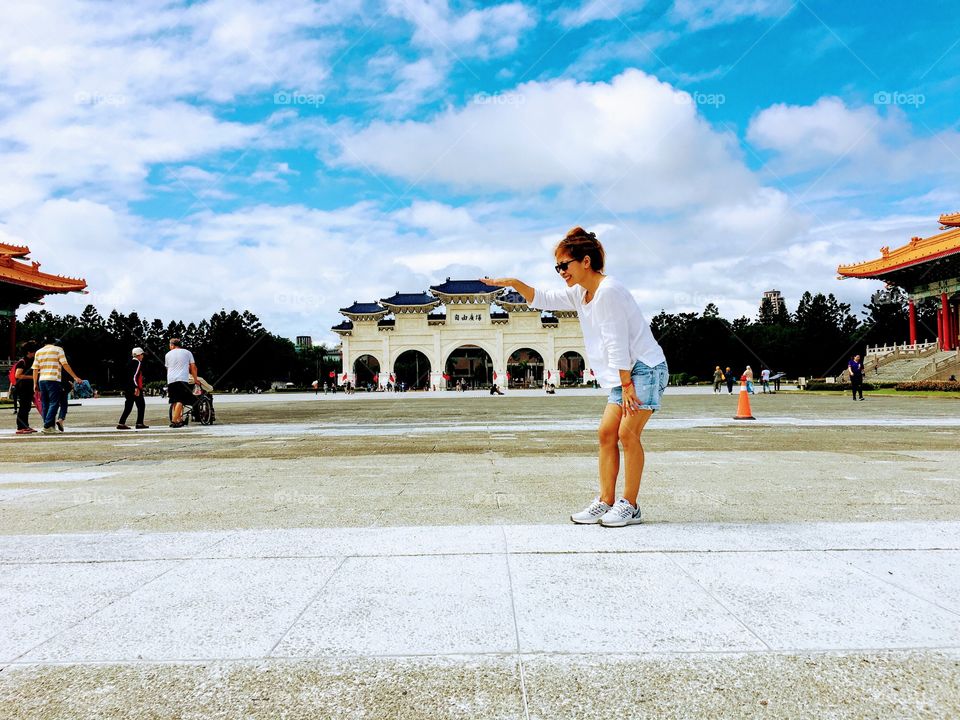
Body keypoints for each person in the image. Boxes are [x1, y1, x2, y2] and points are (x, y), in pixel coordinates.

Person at [483, 226, 668, 528]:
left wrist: (627, 385)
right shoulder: (582, 292)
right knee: (606, 434)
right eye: (557, 266)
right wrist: (515, 283)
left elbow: (616, 341)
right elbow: (544, 297)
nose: (560, 271)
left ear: (585, 261)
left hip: (644, 369)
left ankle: (630, 505)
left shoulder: (608, 291)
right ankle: (605, 501)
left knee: (627, 434)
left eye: (563, 265)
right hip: (626, 373)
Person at [33, 338, 83, 434]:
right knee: (54, 403)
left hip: (42, 380)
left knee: (45, 404)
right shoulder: (58, 349)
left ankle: (49, 426)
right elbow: (65, 364)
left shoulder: (38, 352)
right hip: (53, 379)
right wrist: (75, 377)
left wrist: (34, 383)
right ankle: (47, 425)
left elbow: (35, 369)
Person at [165, 338, 198, 427]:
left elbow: (167, 368)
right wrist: (195, 379)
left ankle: (179, 420)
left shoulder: (167, 354)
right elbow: (193, 367)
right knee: (181, 400)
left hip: (171, 379)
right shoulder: (187, 353)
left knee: (174, 400)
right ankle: (174, 420)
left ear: (172, 345)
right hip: (182, 378)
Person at [117, 347, 149, 430]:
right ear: (139, 355)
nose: (143, 356)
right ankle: (139, 423)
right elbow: (134, 376)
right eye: (142, 355)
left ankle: (121, 423)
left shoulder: (129, 363)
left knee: (128, 406)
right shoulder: (137, 363)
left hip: (127, 388)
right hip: (134, 388)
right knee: (141, 405)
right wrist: (136, 387)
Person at [13, 341, 38, 434]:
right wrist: (33, 377)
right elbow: (18, 375)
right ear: (28, 352)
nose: (35, 353)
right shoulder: (22, 362)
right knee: (23, 407)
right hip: (22, 388)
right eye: (34, 351)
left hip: (28, 388)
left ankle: (25, 426)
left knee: (27, 407)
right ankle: (20, 427)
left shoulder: (31, 361)